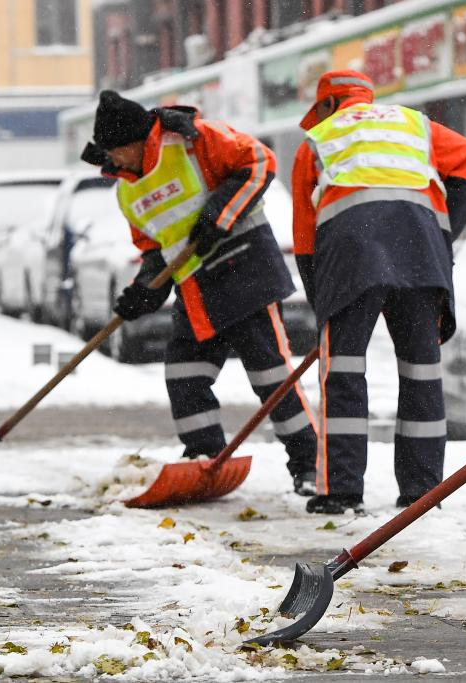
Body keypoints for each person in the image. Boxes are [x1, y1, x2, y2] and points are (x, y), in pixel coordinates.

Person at [80, 90, 318, 495]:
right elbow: (156, 250)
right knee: (185, 376)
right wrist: (143, 294)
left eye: (117, 151)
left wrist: (218, 214)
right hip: (196, 294)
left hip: (245, 276)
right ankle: (206, 462)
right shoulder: (126, 190)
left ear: (137, 141)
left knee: (272, 378)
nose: (113, 161)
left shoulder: (195, 139)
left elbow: (259, 162)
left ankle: (310, 466)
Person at [292, 70, 466, 514]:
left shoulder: (318, 139)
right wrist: (443, 234)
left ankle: (340, 492)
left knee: (342, 373)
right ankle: (422, 491)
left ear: (327, 105)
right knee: (422, 372)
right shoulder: (414, 125)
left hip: (349, 256)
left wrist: (319, 299)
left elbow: (305, 236)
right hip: (420, 253)